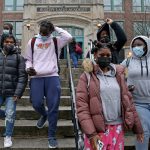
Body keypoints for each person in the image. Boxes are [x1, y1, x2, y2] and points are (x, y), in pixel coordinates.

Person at [76, 43, 143, 150]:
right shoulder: (86, 77)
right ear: (95, 55)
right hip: (97, 130)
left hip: (117, 128)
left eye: (108, 55)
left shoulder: (119, 75)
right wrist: (91, 133)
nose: (105, 58)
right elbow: (82, 108)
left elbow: (129, 103)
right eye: (102, 55)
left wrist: (138, 129)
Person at [25, 20, 72, 148]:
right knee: (36, 103)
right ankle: (43, 115)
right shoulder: (33, 41)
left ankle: (51, 136)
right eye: (41, 32)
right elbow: (28, 60)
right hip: (36, 77)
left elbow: (69, 37)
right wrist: (28, 69)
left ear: (50, 32)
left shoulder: (56, 41)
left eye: (46, 32)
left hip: (52, 77)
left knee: (53, 108)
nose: (43, 35)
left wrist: (55, 27)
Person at [121, 35, 150, 150]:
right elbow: (115, 73)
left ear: (147, 45)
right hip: (138, 103)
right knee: (143, 131)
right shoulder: (128, 61)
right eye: (134, 46)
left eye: (139, 45)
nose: (136, 48)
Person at [0, 34, 28, 148]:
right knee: (7, 113)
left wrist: (18, 93)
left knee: (10, 114)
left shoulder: (19, 58)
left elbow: (22, 77)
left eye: (11, 42)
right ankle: (4, 114)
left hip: (12, 92)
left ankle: (8, 136)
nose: (9, 44)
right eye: (7, 42)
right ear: (2, 42)